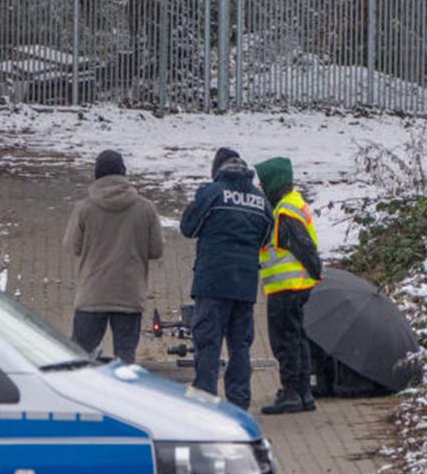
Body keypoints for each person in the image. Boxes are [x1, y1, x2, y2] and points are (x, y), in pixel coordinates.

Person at [177, 147, 271, 409]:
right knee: (240, 345)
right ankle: (239, 401)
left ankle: (205, 402)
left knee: (208, 343)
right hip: (245, 285)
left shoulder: (212, 194)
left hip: (213, 282)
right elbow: (266, 237)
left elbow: (188, 228)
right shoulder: (260, 200)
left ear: (217, 169)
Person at [63, 150, 164, 364]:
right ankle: (123, 397)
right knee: (125, 361)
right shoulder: (145, 208)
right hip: (129, 295)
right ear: (123, 173)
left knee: (79, 360)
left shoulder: (85, 208)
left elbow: (73, 246)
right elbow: (156, 251)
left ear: (96, 174)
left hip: (92, 294)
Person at [254, 156, 322, 415]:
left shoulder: (284, 212)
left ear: (274, 183)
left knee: (284, 340)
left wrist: (316, 269)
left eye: (264, 183)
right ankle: (304, 393)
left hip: (287, 286)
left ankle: (291, 392)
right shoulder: (292, 204)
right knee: (297, 337)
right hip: (296, 284)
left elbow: (303, 245)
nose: (261, 188)